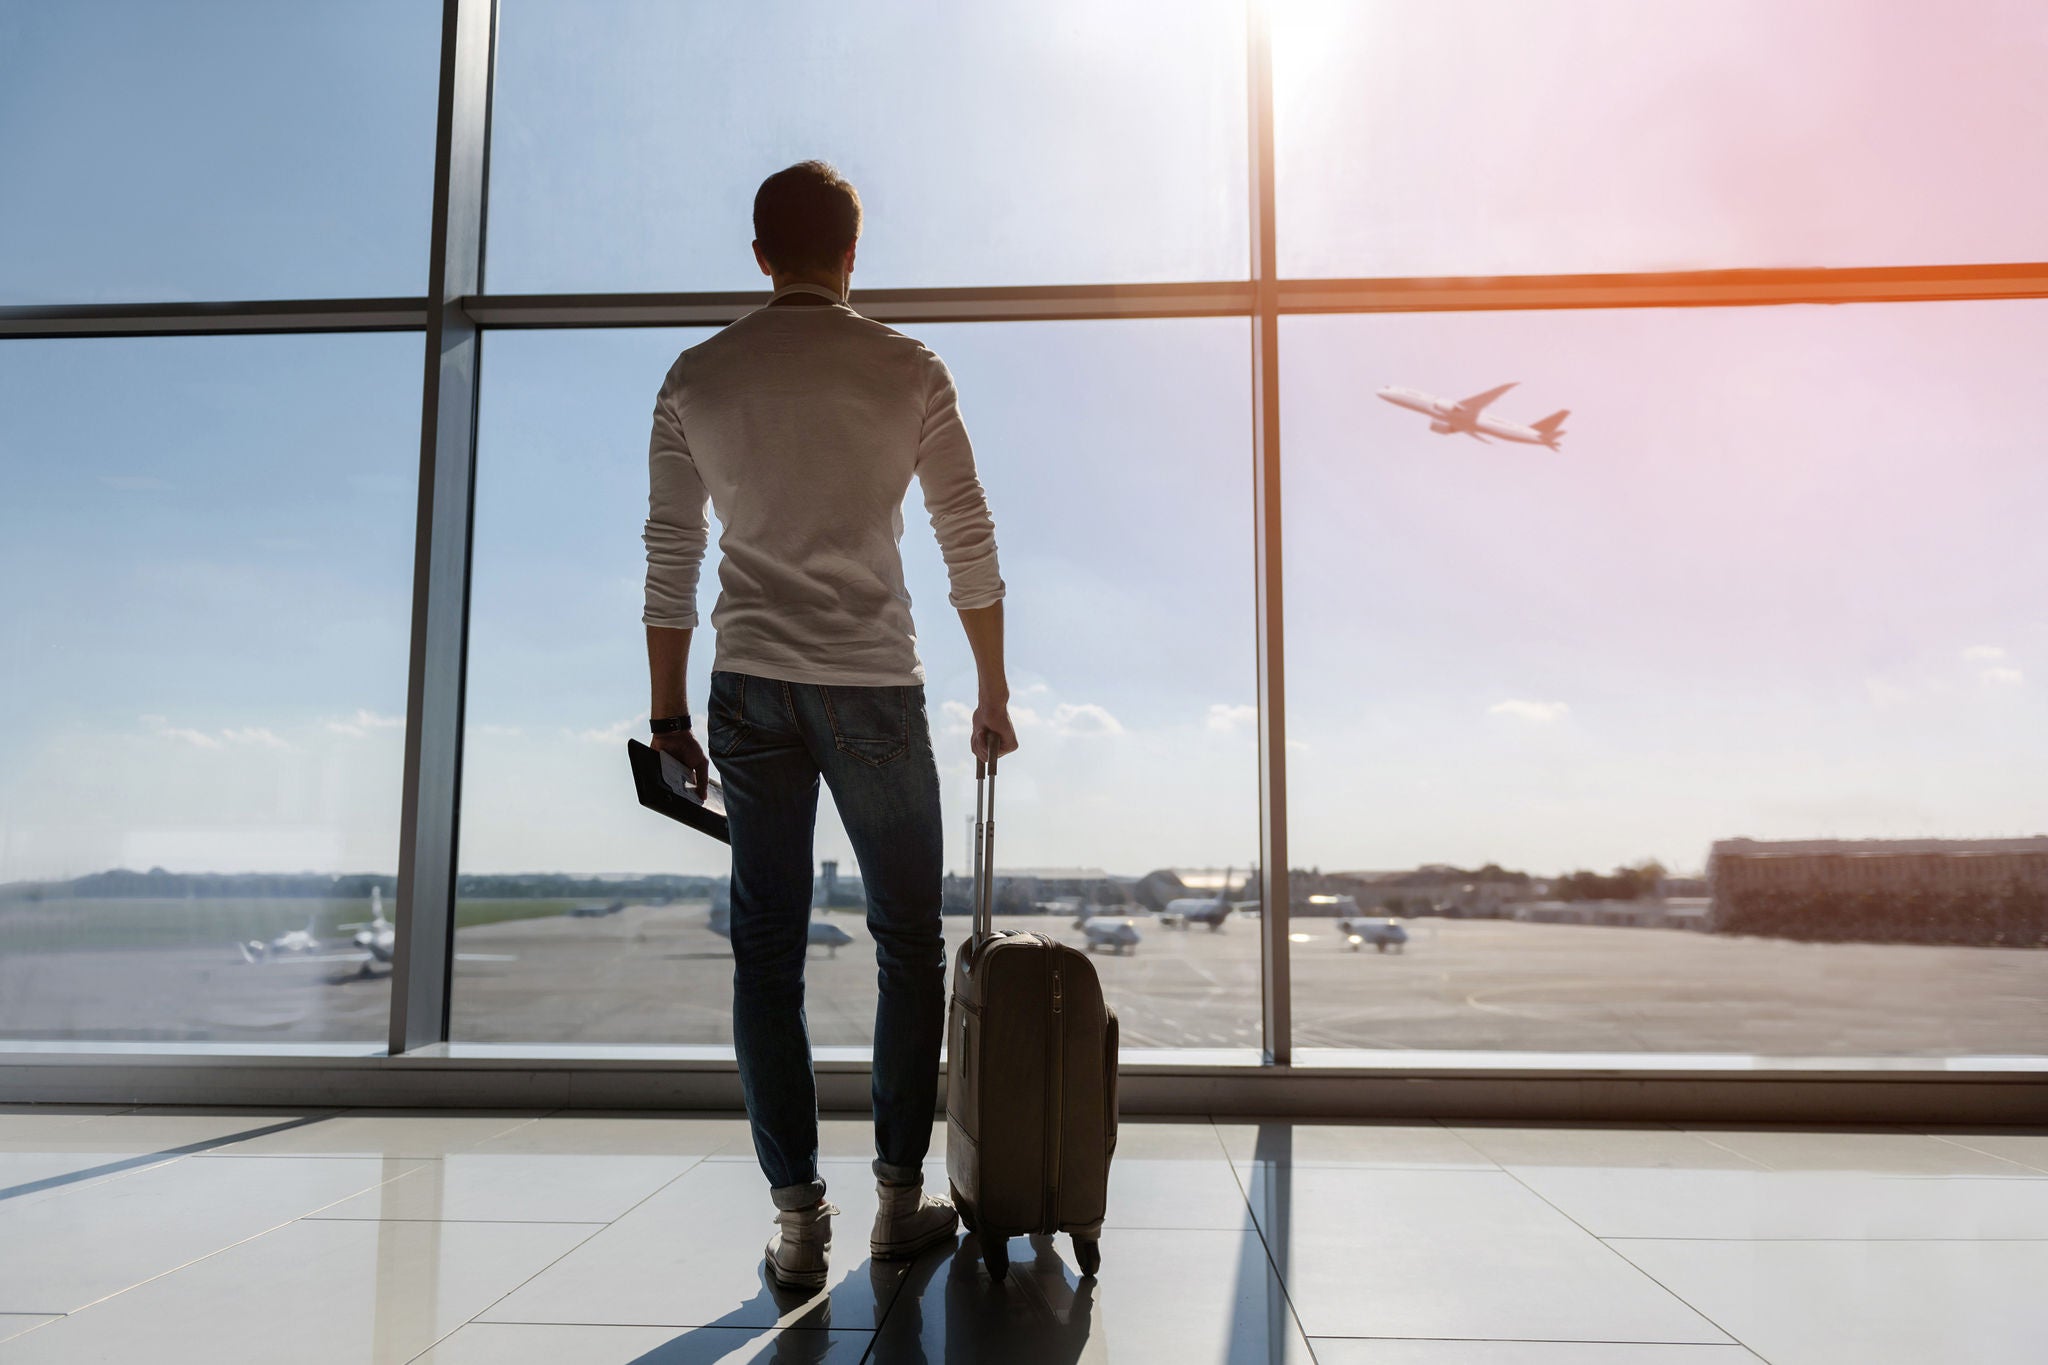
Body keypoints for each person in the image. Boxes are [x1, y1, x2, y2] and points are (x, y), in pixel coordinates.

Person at [641, 160, 1018, 1291]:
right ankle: (897, 1206)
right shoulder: (909, 367)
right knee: (906, 944)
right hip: (870, 684)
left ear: (758, 255)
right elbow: (966, 531)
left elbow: (670, 557)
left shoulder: (696, 376)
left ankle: (796, 1221)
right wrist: (992, 688)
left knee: (766, 953)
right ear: (854, 254)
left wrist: (667, 713)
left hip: (747, 684)